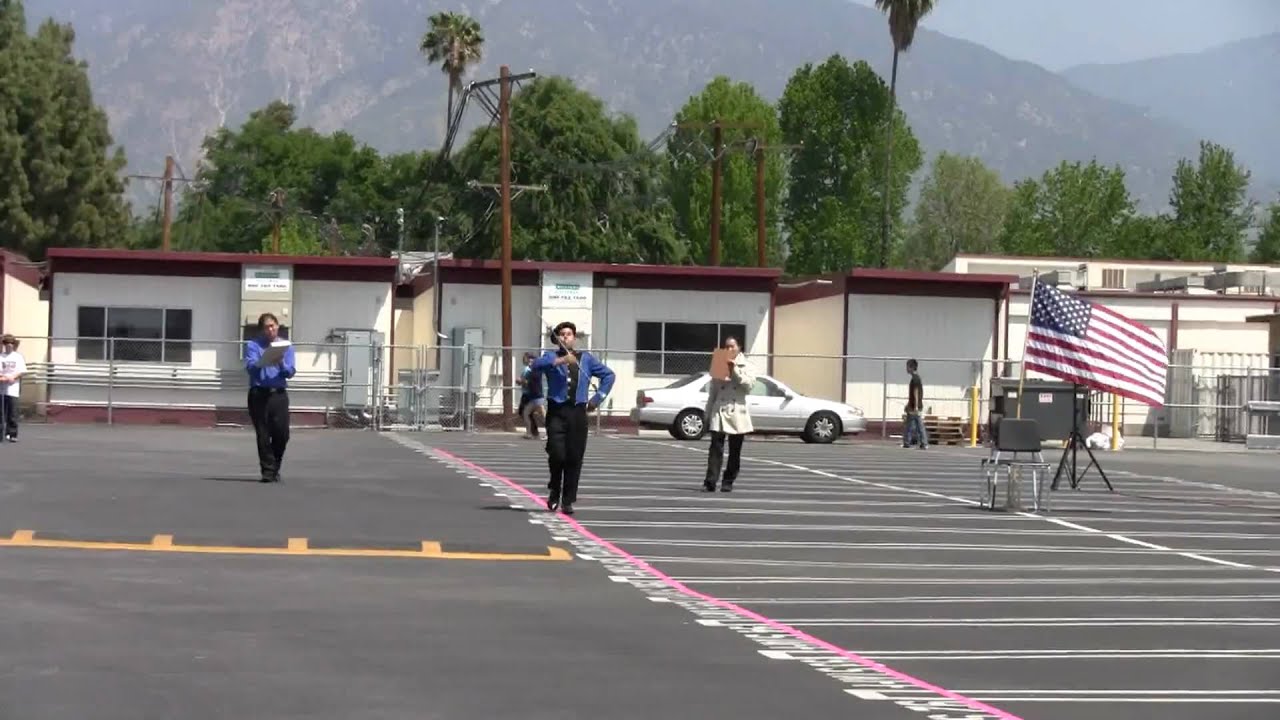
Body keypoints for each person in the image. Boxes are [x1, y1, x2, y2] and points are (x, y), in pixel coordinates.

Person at [530, 321, 615, 515]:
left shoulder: (586, 359)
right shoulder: (551, 357)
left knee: (574, 457)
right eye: (562, 334)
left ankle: (568, 499)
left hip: (577, 412)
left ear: (574, 338)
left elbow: (609, 376)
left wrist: (597, 398)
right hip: (557, 412)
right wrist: (561, 361)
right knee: (557, 454)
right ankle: (554, 489)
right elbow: (535, 365)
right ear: (557, 338)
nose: (566, 337)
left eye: (569, 334)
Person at [243, 313, 296, 482]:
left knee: (282, 434)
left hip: (278, 394)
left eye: (273, 325)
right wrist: (264, 360)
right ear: (261, 329)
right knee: (263, 434)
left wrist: (280, 362)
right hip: (259, 394)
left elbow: (290, 372)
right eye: (266, 327)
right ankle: (268, 471)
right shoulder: (253, 345)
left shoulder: (286, 346)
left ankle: (275, 466)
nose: (270, 329)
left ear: (278, 326)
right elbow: (251, 368)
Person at [703, 336, 755, 492]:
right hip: (720, 410)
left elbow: (748, 387)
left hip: (737, 411)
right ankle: (710, 481)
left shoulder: (747, 365)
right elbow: (713, 392)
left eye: (732, 346)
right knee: (715, 448)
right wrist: (708, 413)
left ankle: (728, 481)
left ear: (739, 348)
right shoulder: (719, 362)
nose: (729, 350)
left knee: (735, 450)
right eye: (726, 347)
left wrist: (735, 370)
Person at [0, 334, 26, 443]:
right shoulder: (1, 357)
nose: (9, 345)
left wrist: (13, 377)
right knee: (1, 413)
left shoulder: (18, 357)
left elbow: (22, 371)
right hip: (1, 389)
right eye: (7, 343)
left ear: (13, 345)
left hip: (13, 389)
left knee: (12, 413)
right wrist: (4, 378)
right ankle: (1, 434)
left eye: (11, 343)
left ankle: (12, 434)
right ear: (4, 344)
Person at [516, 351, 546, 439]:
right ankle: (531, 432)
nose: (529, 362)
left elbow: (530, 383)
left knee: (527, 413)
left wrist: (521, 381)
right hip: (535, 396)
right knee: (529, 413)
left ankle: (531, 433)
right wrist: (522, 381)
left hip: (536, 397)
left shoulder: (533, 370)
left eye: (530, 361)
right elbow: (530, 382)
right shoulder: (533, 370)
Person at [903, 358, 928, 449]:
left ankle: (923, 442)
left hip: (915, 407)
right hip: (912, 405)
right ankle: (908, 442)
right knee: (911, 425)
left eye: (907, 367)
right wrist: (908, 404)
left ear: (912, 367)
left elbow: (916, 392)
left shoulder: (915, 379)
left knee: (917, 425)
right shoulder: (915, 378)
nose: (906, 369)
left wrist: (916, 406)